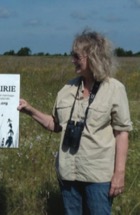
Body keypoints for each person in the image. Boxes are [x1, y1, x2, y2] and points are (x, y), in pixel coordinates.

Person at [17, 29, 133, 215]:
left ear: (93, 57)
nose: (72, 60)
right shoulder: (67, 89)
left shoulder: (114, 89)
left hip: (98, 176)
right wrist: (29, 110)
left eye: (77, 56)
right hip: (68, 174)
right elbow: (55, 125)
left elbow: (122, 133)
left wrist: (119, 173)